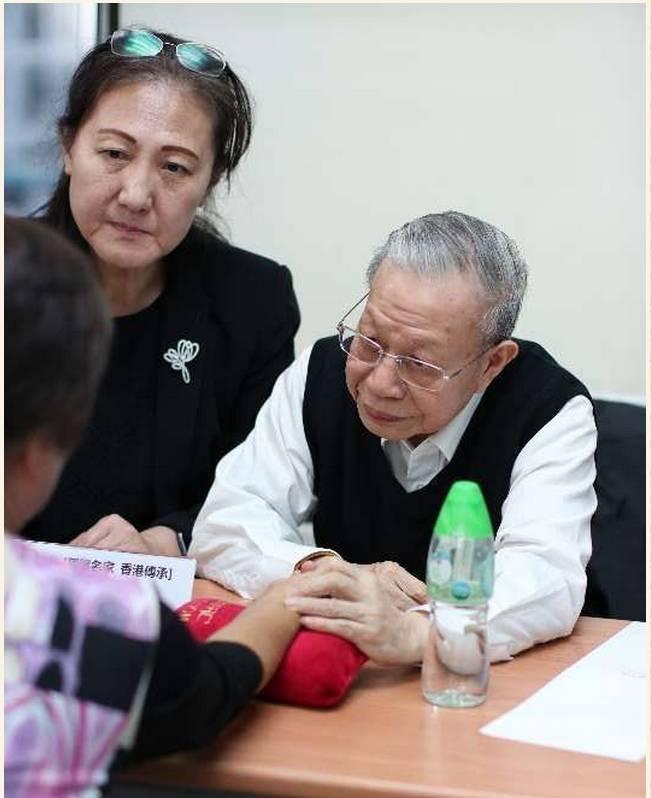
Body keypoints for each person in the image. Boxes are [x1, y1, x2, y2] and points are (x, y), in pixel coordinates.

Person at [189, 211, 597, 666]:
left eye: (420, 365)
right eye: (369, 341)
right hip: (354, 674)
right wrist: (328, 575)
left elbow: (545, 574)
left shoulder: (548, 408)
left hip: (501, 678)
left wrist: (417, 631)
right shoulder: (319, 373)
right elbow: (226, 521)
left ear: (491, 365)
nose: (380, 382)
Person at [5, 217, 301, 797]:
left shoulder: (248, 298)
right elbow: (197, 701)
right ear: (46, 448)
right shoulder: (70, 615)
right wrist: (287, 601)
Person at [24, 27, 300, 557]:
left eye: (174, 167)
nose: (135, 195)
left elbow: (263, 489)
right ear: (67, 148)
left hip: (164, 604)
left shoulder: (252, 301)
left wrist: (165, 539)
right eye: (113, 154)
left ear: (211, 179)